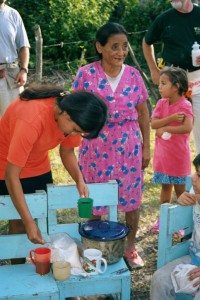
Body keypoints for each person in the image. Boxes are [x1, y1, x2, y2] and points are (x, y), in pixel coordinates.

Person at [72, 22, 150, 268]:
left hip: (129, 147)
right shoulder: (86, 74)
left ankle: (129, 247)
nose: (121, 51)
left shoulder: (134, 76)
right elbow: (74, 109)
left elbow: (143, 113)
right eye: (114, 46)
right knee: (95, 198)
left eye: (124, 46)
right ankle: (93, 246)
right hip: (96, 146)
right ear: (100, 47)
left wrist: (147, 146)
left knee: (132, 199)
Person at [0, 84, 108, 246]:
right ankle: (18, 264)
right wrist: (29, 222)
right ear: (66, 115)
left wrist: (79, 179)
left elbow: (67, 152)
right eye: (76, 130)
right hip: (5, 166)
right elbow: (11, 175)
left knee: (44, 216)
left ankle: (43, 264)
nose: (74, 135)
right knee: (19, 224)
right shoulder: (31, 118)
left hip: (38, 165)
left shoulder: (72, 115)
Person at [142, 0, 200, 154]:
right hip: (172, 77)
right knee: (174, 123)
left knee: (199, 123)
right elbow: (147, 42)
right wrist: (154, 69)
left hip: (197, 77)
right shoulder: (164, 18)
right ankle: (173, 169)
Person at [150, 153, 200, 300]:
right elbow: (185, 201)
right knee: (160, 279)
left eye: (199, 175)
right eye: (196, 172)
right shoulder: (194, 192)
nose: (193, 178)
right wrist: (182, 197)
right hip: (193, 258)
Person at [151, 67, 193, 234]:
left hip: (178, 158)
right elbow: (153, 124)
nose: (159, 87)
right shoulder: (161, 104)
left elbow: (187, 126)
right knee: (165, 188)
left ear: (176, 86)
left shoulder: (185, 105)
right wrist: (170, 119)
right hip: (163, 158)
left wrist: (166, 128)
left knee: (181, 191)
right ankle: (163, 219)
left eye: (163, 83)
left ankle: (182, 222)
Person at [0, 0, 30, 116]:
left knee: (14, 117)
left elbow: (23, 45)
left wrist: (24, 70)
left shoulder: (13, 14)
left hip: (11, 75)